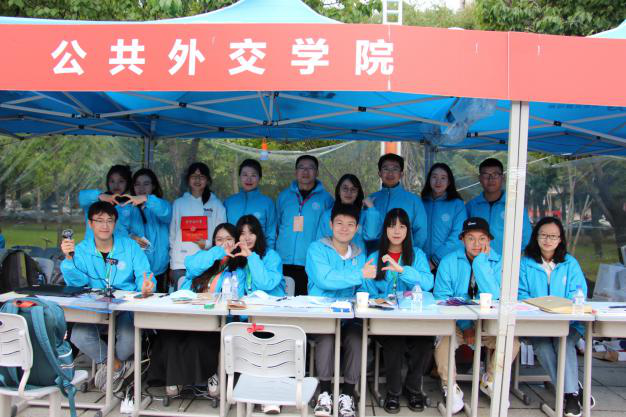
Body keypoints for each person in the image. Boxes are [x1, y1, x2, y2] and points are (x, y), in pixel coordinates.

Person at [60, 201, 155, 393]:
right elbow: (77, 283)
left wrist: (146, 287)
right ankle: (117, 366)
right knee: (79, 335)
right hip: (95, 309)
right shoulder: (81, 250)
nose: (105, 225)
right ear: (90, 223)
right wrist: (69, 259)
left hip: (125, 307)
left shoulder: (129, 246)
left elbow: (144, 275)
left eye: (109, 220)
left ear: (115, 223)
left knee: (129, 339)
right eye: (99, 220)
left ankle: (114, 367)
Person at [433, 217, 519, 414]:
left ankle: (491, 380)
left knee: (512, 341)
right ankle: (450, 386)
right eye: (471, 238)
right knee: (442, 339)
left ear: (489, 240)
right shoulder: (449, 261)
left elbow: (496, 298)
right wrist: (466, 326)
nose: (476, 244)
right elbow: (441, 300)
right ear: (462, 239)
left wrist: (481, 263)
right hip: (456, 325)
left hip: (488, 325)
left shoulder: (498, 262)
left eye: (482, 239)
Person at [148, 224, 237, 398]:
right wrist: (217, 252)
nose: (224, 244)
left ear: (236, 242)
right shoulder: (206, 259)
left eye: (229, 239)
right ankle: (174, 377)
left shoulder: (238, 265)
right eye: (219, 240)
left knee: (199, 340)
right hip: (189, 314)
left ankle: (211, 372)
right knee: (170, 337)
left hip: (216, 320)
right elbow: (191, 265)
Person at [518, 217, 594, 417]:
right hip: (537, 323)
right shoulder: (525, 262)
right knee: (543, 347)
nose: (548, 240)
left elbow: (578, 293)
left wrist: (562, 311)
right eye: (543, 235)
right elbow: (521, 294)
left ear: (560, 239)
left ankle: (570, 395)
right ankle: (572, 390)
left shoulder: (570, 263)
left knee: (564, 343)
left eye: (553, 236)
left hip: (568, 323)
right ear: (536, 237)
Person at [361, 208, 434, 413]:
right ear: (385, 229)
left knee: (424, 341)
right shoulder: (375, 256)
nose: (396, 231)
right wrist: (378, 299)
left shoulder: (417, 255)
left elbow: (428, 283)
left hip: (413, 320)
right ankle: (393, 392)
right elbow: (367, 289)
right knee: (394, 340)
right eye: (392, 226)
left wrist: (402, 271)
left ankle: (413, 389)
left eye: (402, 226)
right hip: (385, 320)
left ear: (408, 230)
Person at [306, 204, 375, 417]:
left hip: (349, 316)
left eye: (350, 224)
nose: (344, 228)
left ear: (357, 228)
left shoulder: (359, 254)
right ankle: (325, 392)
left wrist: (368, 290)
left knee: (356, 339)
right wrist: (359, 275)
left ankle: (348, 394)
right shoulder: (316, 249)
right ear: (330, 224)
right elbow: (324, 279)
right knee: (327, 339)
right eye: (339, 223)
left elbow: (364, 286)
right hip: (322, 314)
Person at [183, 216, 285, 298]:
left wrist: (251, 256)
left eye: (251, 233)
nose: (247, 238)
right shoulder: (214, 256)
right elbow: (191, 268)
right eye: (243, 234)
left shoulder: (269, 256)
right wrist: (218, 252)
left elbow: (264, 284)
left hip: (270, 307)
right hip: (192, 305)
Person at [276, 155, 333, 296]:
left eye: (310, 168)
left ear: (317, 172)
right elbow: (277, 226)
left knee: (305, 303)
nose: (305, 172)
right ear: (296, 172)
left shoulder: (326, 199)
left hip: (310, 261)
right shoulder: (284, 196)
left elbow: (328, 232)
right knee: (282, 302)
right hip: (282, 260)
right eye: (301, 167)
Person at [169, 162, 226, 291]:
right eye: (194, 176)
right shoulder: (179, 204)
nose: (198, 180)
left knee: (203, 299)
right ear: (188, 179)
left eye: (202, 177)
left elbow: (222, 236)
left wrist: (206, 244)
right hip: (181, 263)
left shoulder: (216, 205)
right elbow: (173, 236)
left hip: (207, 263)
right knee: (181, 300)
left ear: (208, 180)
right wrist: (172, 264)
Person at [465, 158, 531, 254]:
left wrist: (514, 259)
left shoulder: (514, 206)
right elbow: (464, 236)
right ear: (480, 179)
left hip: (507, 261)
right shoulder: (471, 206)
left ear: (503, 178)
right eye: (486, 175)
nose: (491, 179)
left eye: (495, 174)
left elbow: (526, 238)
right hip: (477, 260)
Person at [368, 154, 427, 250]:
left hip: (404, 257)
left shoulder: (414, 201)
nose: (390, 173)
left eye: (395, 169)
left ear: (401, 174)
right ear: (379, 173)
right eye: (386, 169)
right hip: (375, 256)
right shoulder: (371, 200)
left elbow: (421, 232)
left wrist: (411, 254)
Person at [127, 168, 172, 293]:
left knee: (158, 303)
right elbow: (119, 232)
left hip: (159, 269)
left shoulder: (161, 204)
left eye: (146, 184)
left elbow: (166, 213)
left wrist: (147, 199)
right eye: (137, 184)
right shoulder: (127, 208)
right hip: (135, 270)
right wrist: (131, 237)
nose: (141, 188)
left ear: (153, 186)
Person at [316, 174, 380, 254]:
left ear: (358, 193)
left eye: (353, 189)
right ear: (339, 191)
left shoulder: (364, 215)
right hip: (331, 259)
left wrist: (371, 208)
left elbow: (371, 236)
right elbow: (320, 241)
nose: (349, 192)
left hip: (357, 259)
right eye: (345, 188)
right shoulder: (327, 216)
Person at [421, 163, 466, 271]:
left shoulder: (457, 204)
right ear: (429, 179)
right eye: (434, 177)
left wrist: (435, 260)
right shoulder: (421, 202)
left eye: (443, 178)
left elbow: (458, 236)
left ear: (449, 182)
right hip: (421, 262)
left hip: (448, 263)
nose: (438, 182)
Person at [78, 164, 142, 239]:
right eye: (112, 181)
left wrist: (132, 236)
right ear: (107, 183)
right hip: (92, 246)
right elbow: (81, 197)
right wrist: (100, 196)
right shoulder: (95, 201)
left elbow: (138, 234)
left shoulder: (132, 207)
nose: (116, 185)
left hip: (119, 246)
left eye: (121, 181)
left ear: (127, 183)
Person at [224, 159, 277, 249]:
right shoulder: (229, 202)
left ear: (259, 178)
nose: (249, 179)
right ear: (240, 177)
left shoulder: (267, 203)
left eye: (253, 175)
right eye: (245, 175)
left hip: (259, 253)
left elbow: (271, 234)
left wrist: (267, 254)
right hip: (233, 252)